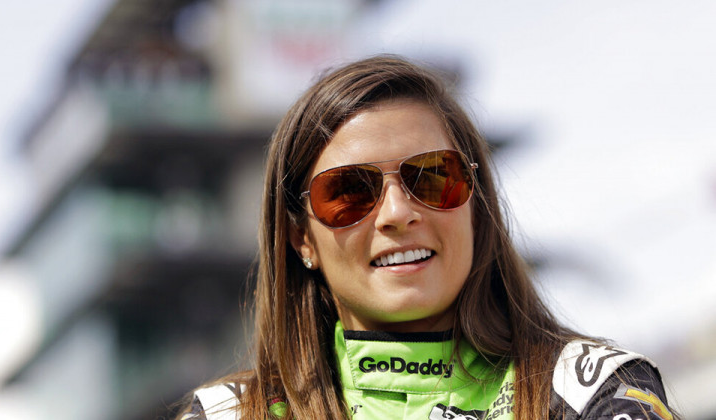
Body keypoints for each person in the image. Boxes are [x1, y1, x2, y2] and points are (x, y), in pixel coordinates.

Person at [176, 55, 676, 419]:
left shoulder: (593, 393)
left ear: (477, 206)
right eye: (348, 191)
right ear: (300, 239)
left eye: (434, 176)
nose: (397, 213)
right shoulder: (227, 415)